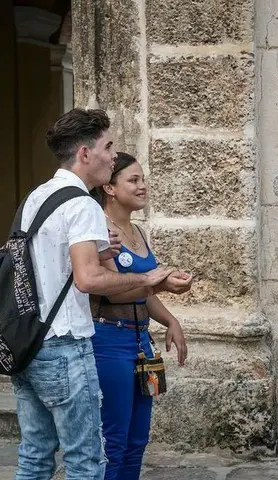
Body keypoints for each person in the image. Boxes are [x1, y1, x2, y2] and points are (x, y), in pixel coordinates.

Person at [12, 108, 174, 479]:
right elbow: (88, 280)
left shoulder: (37, 197)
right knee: (86, 460)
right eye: (108, 146)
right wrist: (149, 279)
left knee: (35, 457)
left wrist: (102, 254)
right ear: (85, 154)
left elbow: (49, 267)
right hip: (66, 345)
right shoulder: (82, 203)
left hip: (30, 342)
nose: (113, 155)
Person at [90, 152, 192, 480]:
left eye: (142, 179)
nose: (142, 186)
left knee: (138, 440)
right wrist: (160, 282)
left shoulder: (136, 231)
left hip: (141, 346)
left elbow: (144, 293)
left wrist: (171, 321)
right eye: (133, 180)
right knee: (114, 441)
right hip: (108, 342)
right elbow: (114, 291)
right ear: (109, 187)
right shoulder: (101, 232)